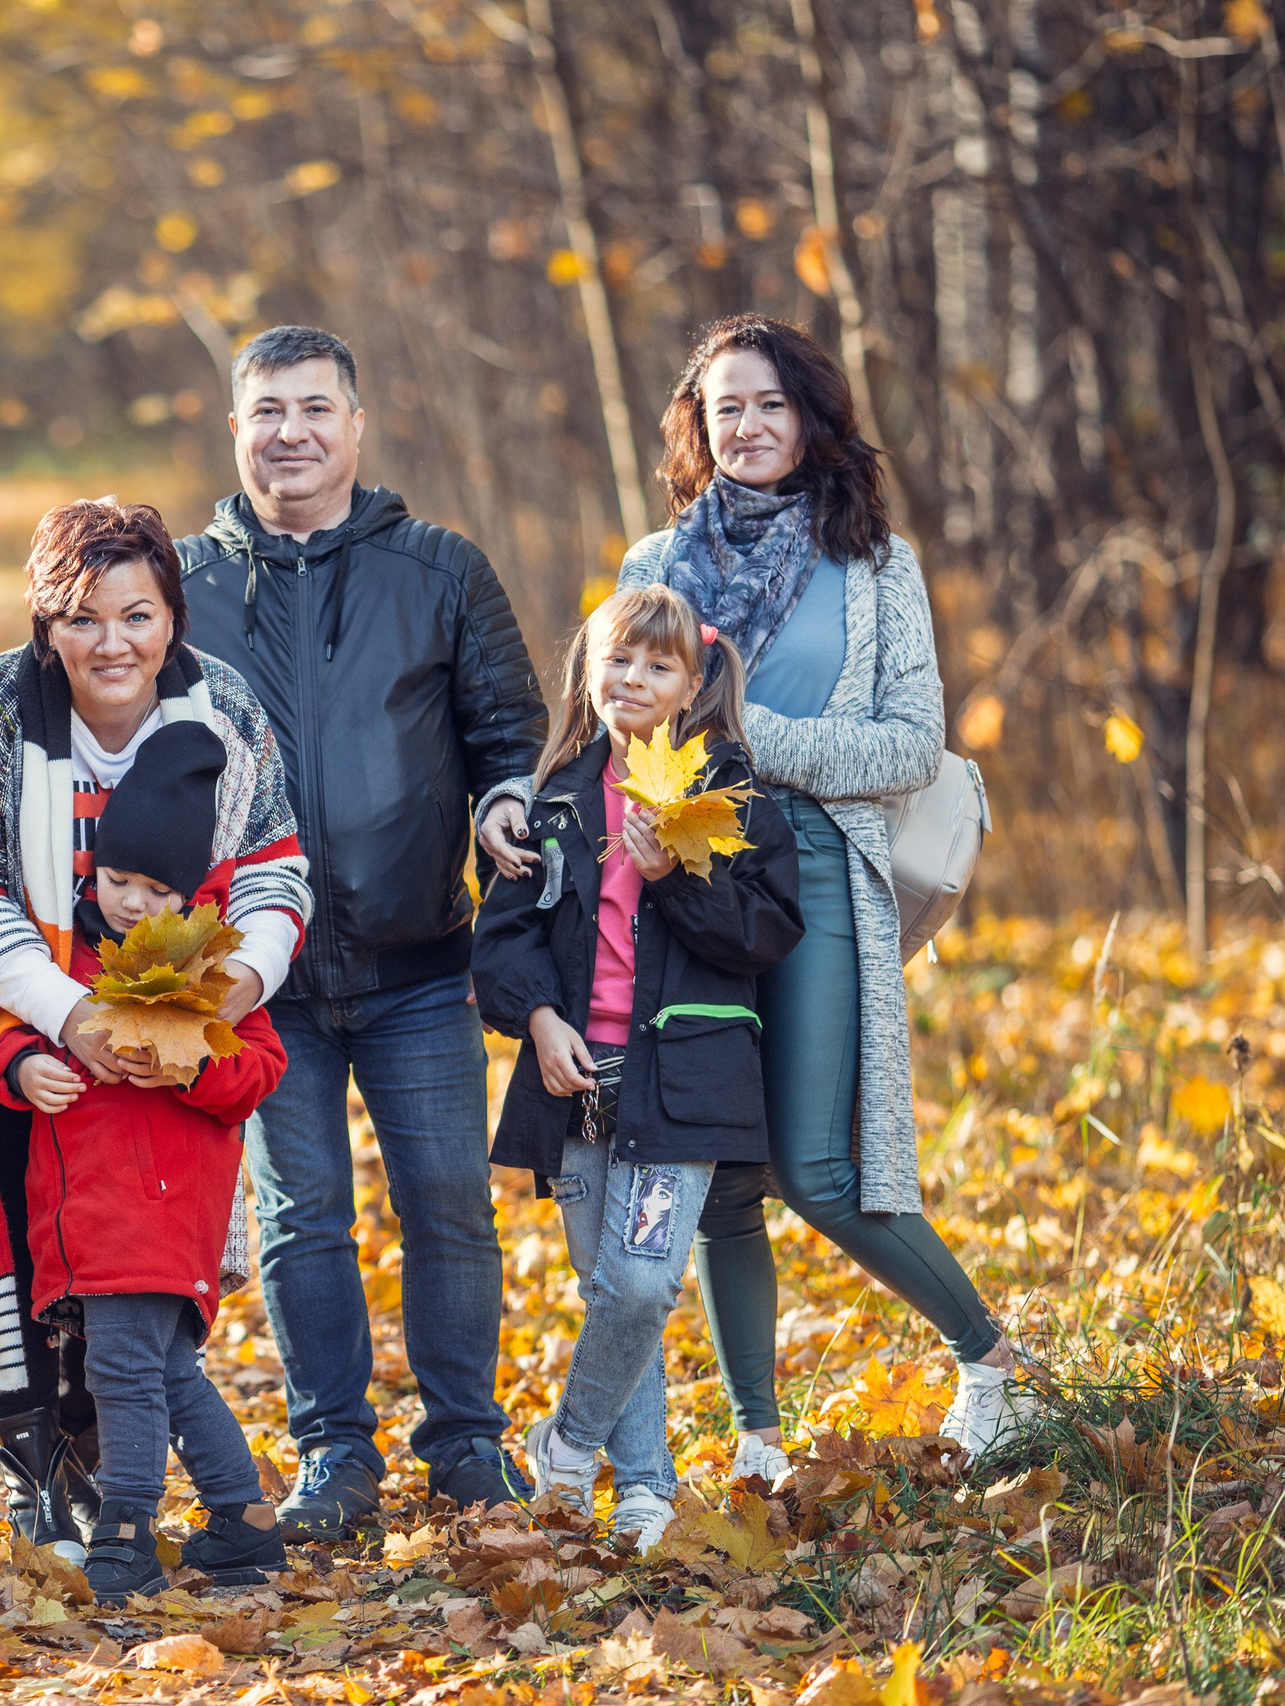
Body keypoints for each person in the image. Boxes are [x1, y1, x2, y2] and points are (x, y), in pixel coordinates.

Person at [478, 315, 1036, 1480]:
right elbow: (607, 718)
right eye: (724, 406)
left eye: (770, 402)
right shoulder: (653, 561)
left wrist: (744, 736)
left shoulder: (874, 563)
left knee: (815, 1171)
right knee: (721, 1177)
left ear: (811, 415)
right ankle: (757, 1438)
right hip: (672, 889)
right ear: (697, 424)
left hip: (812, 874)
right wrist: (523, 800)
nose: (747, 425)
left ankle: (992, 1361)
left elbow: (908, 744)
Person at [0, 498, 310, 1562]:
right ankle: (38, 1477)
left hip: (168, 1042)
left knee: (131, 1278)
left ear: (172, 616)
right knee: (16, 1248)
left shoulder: (224, 710)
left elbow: (272, 865)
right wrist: (69, 1019)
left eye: (137, 615)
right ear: (46, 624)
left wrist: (234, 983)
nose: (114, 643)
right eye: (84, 619)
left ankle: (108, 1479)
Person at [177, 325, 545, 1535]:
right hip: (255, 975)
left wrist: (503, 804)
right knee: (301, 1219)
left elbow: (509, 734)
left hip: (417, 961)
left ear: (356, 423)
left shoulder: (439, 569)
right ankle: (333, 1452)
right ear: (236, 428)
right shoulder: (181, 584)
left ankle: (467, 1442)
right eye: (267, 411)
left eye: (314, 408)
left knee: (446, 1201)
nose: (290, 432)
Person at [471, 586, 801, 1552]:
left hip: (682, 1081)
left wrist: (675, 879)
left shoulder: (730, 799)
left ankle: (569, 1444)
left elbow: (767, 931)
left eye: (660, 666)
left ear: (692, 686)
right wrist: (539, 1020)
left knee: (642, 1286)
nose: (635, 679)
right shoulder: (554, 802)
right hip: (574, 1080)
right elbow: (503, 938)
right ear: (589, 668)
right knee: (611, 1290)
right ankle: (647, 1488)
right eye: (618, 659)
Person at [0, 720, 290, 1601]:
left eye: (158, 891)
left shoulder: (212, 977)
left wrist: (191, 1063)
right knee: (165, 1373)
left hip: (159, 1206)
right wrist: (23, 1067)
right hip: (88, 1211)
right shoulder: (71, 962)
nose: (131, 902)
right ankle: (242, 1520)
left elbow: (258, 1068)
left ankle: (125, 1529)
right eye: (118, 879)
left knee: (122, 1372)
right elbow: (11, 1032)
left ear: (191, 898)